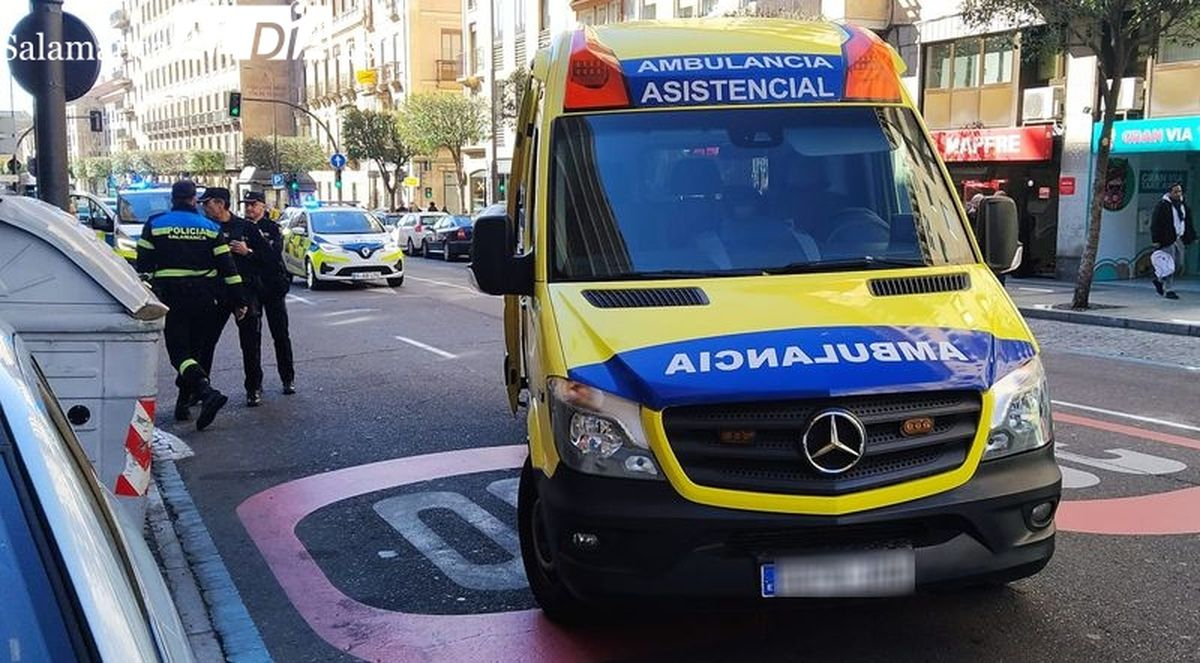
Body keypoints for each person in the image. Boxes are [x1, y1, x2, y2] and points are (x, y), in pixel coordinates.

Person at [137, 180, 246, 431]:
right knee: (195, 352)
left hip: (172, 298)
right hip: (205, 299)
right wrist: (238, 300)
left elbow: (143, 268)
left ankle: (206, 393)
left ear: (173, 199)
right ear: (193, 199)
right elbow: (228, 269)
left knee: (180, 354)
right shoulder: (209, 227)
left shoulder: (155, 224)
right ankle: (183, 403)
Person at [199, 188, 273, 406]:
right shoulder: (206, 228)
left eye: (208, 203)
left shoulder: (246, 227)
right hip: (216, 293)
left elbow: (268, 258)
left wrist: (247, 252)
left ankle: (253, 388)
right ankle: (201, 389)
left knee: (250, 344)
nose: (204, 207)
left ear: (221, 204)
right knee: (206, 343)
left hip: (245, 293)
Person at [241, 191, 296, 396]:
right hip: (250, 288)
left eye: (253, 205)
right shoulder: (240, 227)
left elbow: (272, 257)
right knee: (251, 339)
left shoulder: (272, 229)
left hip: (272, 287)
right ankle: (254, 386)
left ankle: (287, 378)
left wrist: (249, 253)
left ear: (263, 207)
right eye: (246, 205)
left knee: (280, 335)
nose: (249, 208)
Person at [1151, 182, 1196, 300]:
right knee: (1169, 265)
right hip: (1167, 238)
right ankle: (1168, 289)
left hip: (1179, 238)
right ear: (1169, 192)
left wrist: (1191, 236)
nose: (1177, 194)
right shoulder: (1163, 205)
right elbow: (1155, 223)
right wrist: (1156, 239)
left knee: (1179, 264)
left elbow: (1187, 222)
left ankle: (1158, 280)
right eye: (1175, 191)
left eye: (1179, 191)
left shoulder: (1182, 205)